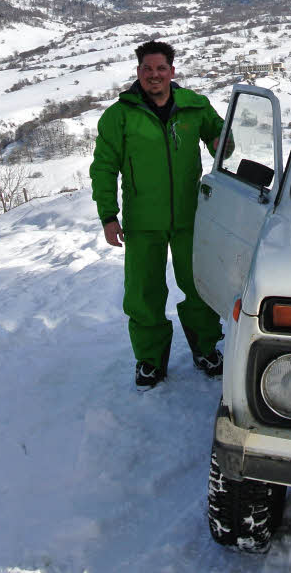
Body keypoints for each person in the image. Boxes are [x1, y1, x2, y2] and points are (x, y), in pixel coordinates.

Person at [90, 40, 227, 388]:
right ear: (138, 73)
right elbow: (103, 168)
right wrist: (109, 216)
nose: (154, 75)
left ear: (172, 72)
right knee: (144, 293)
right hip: (142, 222)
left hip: (190, 217)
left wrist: (220, 144)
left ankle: (207, 349)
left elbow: (223, 137)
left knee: (199, 286)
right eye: (148, 69)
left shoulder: (195, 107)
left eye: (161, 69)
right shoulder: (119, 116)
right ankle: (149, 360)